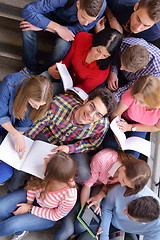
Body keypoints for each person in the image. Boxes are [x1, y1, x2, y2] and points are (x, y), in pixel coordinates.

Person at [8, 88, 117, 192]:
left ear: (101, 118)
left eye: (98, 114)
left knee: (83, 174)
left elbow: (92, 143)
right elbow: (39, 124)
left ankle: (49, 186)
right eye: (92, 106)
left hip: (71, 146)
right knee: (23, 167)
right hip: (49, 135)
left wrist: (70, 148)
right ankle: (16, 190)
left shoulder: (102, 125)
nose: (91, 114)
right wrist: (26, 141)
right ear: (86, 100)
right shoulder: (59, 103)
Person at [53, 148, 151, 240]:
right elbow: (87, 185)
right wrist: (85, 211)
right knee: (66, 231)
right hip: (78, 186)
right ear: (124, 168)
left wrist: (98, 197)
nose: (122, 185)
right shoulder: (103, 159)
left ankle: (74, 234)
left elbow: (107, 188)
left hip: (94, 189)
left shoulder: (128, 177)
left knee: (81, 226)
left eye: (126, 184)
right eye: (123, 181)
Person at [0, 151, 77, 240]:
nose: (45, 159)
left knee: (10, 225)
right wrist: (29, 203)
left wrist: (30, 209)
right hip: (36, 198)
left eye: (47, 161)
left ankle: (18, 226)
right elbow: (33, 186)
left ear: (51, 175)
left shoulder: (69, 196)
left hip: (48, 215)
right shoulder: (44, 172)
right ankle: (20, 229)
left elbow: (56, 215)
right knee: (1, 209)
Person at [20, 0, 106, 74]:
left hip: (71, 29)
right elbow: (28, 10)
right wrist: (53, 27)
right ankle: (31, 69)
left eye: (91, 20)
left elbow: (81, 30)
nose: (86, 23)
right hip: (52, 15)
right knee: (26, 26)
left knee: (62, 45)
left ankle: (43, 73)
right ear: (78, 3)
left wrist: (45, 27)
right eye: (83, 17)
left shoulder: (101, 5)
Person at [0, 73, 53, 185]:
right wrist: (16, 135)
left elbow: (24, 124)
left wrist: (17, 138)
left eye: (41, 105)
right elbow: (1, 115)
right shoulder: (10, 83)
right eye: (34, 103)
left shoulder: (38, 105)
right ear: (26, 95)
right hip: (4, 124)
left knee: (6, 172)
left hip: (12, 131)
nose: (37, 108)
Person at [47, 28, 122, 94]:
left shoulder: (102, 72)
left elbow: (83, 89)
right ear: (95, 42)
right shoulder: (83, 38)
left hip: (71, 90)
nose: (98, 57)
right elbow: (66, 60)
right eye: (98, 50)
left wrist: (69, 91)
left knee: (49, 89)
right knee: (43, 77)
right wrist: (53, 68)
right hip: (62, 73)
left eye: (105, 55)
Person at [103, 75, 160, 158]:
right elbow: (116, 113)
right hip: (123, 119)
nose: (136, 103)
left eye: (141, 102)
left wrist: (130, 127)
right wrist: (118, 135)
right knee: (109, 145)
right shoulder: (134, 92)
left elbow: (156, 127)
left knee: (133, 156)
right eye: (135, 99)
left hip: (142, 127)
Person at [77, 185, 160, 240]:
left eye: (128, 214)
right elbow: (107, 208)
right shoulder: (127, 189)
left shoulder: (157, 229)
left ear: (142, 222)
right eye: (127, 207)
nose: (123, 211)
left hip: (123, 229)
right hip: (105, 218)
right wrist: (104, 236)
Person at [107, 37, 160, 102]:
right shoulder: (125, 43)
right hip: (114, 67)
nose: (121, 68)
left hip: (133, 84)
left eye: (125, 68)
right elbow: (115, 55)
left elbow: (132, 88)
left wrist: (110, 100)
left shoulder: (154, 72)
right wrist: (113, 71)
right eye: (122, 64)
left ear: (143, 68)